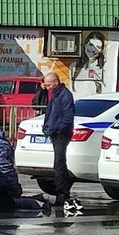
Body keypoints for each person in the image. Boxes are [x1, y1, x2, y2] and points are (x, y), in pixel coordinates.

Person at [0, 120, 53, 211]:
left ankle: (41, 205)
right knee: (15, 198)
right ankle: (49, 198)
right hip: (13, 184)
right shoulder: (6, 144)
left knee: (9, 202)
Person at [42, 72, 81, 211]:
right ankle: (61, 190)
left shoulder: (65, 95)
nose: (46, 87)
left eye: (48, 84)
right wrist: (46, 127)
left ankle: (63, 192)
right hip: (54, 132)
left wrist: (57, 129)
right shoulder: (55, 95)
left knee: (59, 162)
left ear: (56, 82)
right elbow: (49, 112)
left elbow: (67, 116)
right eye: (45, 85)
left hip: (61, 134)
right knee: (58, 162)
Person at [70, 31, 106, 95]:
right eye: (91, 45)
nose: (93, 50)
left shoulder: (104, 67)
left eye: (98, 47)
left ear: (101, 50)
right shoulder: (74, 66)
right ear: (85, 44)